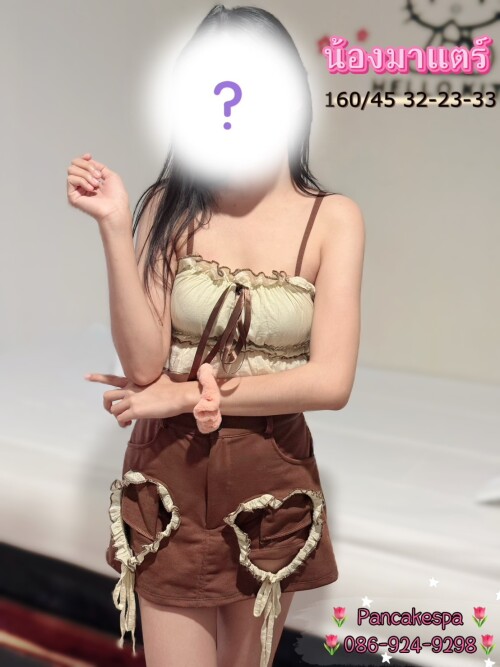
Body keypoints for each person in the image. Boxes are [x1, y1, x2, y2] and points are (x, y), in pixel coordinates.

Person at [66, 5, 364, 667]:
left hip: (273, 477)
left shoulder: (333, 219)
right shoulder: (170, 205)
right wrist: (114, 224)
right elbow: (145, 368)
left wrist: (187, 395)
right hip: (169, 471)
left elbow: (331, 382)